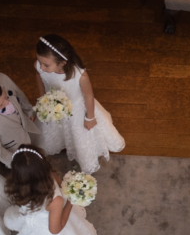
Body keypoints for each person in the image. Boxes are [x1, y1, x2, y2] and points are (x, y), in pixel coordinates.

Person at [3, 145, 107, 235]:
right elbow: (55, 229)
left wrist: (67, 185)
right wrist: (71, 200)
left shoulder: (18, 183)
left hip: (30, 213)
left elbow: (59, 183)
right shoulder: (54, 200)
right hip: (51, 221)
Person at [34, 34, 124, 173]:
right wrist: (42, 99)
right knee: (55, 130)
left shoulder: (79, 76)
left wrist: (90, 117)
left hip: (76, 111)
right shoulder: (40, 68)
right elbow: (39, 77)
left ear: (62, 62)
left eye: (46, 64)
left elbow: (88, 96)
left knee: (79, 136)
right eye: (40, 62)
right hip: (53, 108)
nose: (41, 67)